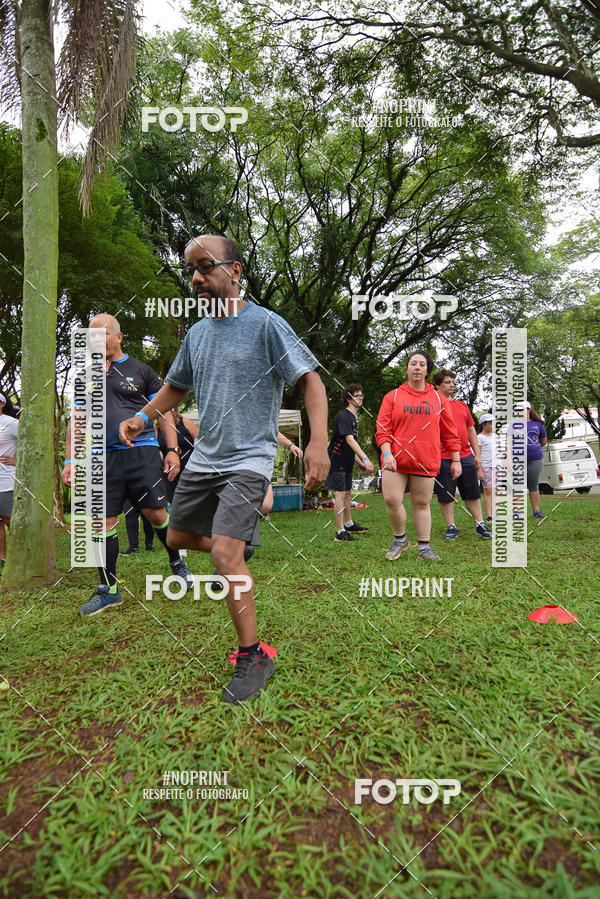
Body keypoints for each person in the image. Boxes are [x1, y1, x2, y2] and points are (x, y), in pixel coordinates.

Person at [119, 234, 330, 704]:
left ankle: (253, 654)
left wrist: (318, 442)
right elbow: (175, 387)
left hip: (249, 458)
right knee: (174, 538)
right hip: (207, 456)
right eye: (191, 270)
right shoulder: (197, 334)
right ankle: (237, 544)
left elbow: (311, 380)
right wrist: (142, 417)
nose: (195, 277)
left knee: (223, 557)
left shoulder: (266, 324)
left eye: (205, 267)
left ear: (234, 271)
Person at [62, 314, 193, 616]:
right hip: (101, 457)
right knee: (101, 522)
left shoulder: (141, 370)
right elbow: (77, 420)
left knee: (156, 513)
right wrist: (70, 459)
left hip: (142, 451)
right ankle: (108, 590)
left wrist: (171, 449)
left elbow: (164, 412)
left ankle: (177, 562)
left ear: (119, 337)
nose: (97, 339)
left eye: (103, 333)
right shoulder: (85, 374)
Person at [375, 351, 461, 562]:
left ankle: (424, 548)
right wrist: (386, 453)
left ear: (427, 370)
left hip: (426, 459)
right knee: (392, 499)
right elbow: (382, 428)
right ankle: (400, 540)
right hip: (395, 458)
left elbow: (450, 432)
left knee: (422, 504)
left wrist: (456, 459)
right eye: (413, 363)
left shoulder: (439, 399)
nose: (417, 367)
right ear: (406, 368)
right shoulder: (393, 396)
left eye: (421, 364)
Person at [432, 369, 492, 541]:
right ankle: (451, 526)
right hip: (442, 456)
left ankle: (480, 524)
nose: (451, 385)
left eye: (453, 382)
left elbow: (471, 432)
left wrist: (477, 454)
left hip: (465, 455)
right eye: (447, 382)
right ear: (437, 385)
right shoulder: (432, 406)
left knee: (472, 492)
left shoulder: (462, 406)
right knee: (446, 493)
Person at [324, 384, 374, 542]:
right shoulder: (344, 416)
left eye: (361, 395)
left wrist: (359, 463)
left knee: (347, 494)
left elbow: (349, 446)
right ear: (348, 399)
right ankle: (340, 532)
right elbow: (349, 440)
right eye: (357, 396)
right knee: (339, 494)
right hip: (336, 461)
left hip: (347, 462)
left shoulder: (352, 418)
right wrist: (366, 458)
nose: (360, 398)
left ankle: (349, 524)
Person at [513, 402, 548, 520]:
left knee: (533, 485)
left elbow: (543, 441)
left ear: (528, 410)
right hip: (518, 459)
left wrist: (533, 448)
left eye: (522, 410)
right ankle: (516, 512)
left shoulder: (538, 424)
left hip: (536, 459)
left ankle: (536, 511)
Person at [261, 432, 304, 520]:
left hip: (262, 466)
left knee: (267, 504)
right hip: (240, 464)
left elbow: (273, 430)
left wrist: (291, 445)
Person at [0, 393, 19, 566]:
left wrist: (17, 460)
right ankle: (2, 558)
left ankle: (20, 557)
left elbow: (32, 445)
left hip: (6, 481)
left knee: (9, 519)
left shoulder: (11, 423)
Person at [477, 413, 501, 521]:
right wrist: (479, 469)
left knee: (496, 490)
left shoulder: (496, 436)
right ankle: (489, 515)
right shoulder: (479, 437)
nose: (492, 425)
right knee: (488, 490)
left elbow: (500, 451)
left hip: (497, 466)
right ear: (484, 424)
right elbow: (478, 454)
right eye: (490, 423)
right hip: (486, 466)